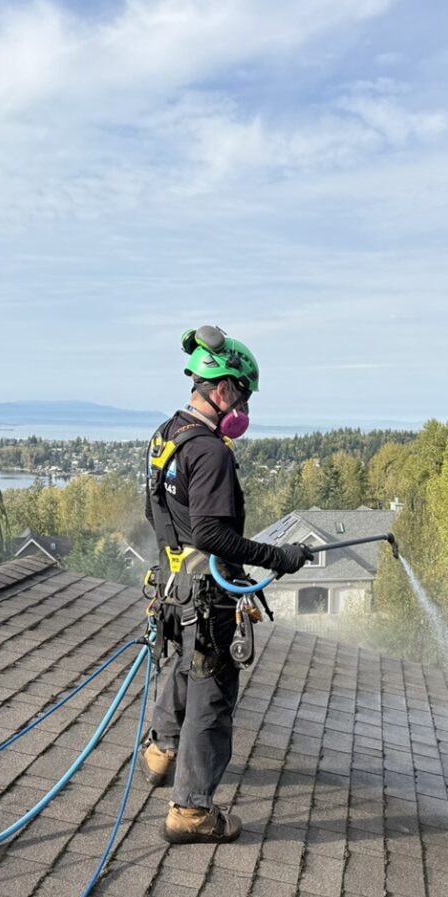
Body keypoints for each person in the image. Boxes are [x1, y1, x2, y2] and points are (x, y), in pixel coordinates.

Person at [140, 325, 309, 844]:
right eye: (243, 393)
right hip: (206, 594)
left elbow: (158, 512)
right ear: (223, 389)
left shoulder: (167, 434)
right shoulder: (210, 452)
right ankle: (190, 813)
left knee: (190, 667)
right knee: (212, 695)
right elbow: (212, 531)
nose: (244, 406)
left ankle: (162, 751)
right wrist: (277, 556)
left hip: (175, 584)